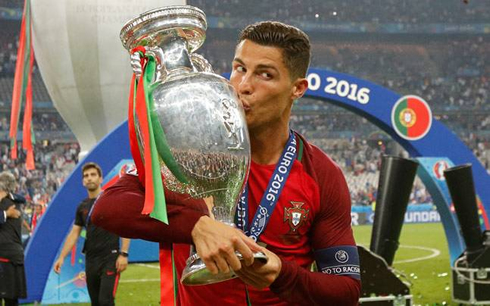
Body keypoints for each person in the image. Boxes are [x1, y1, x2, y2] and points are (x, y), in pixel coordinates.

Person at [92, 21, 361, 305]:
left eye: (265, 75)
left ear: (297, 88)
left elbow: (345, 291)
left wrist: (283, 275)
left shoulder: (319, 173)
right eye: (240, 68)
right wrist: (196, 226)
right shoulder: (187, 151)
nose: (243, 86)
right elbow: (107, 208)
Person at [53, 162, 131, 306]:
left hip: (110, 258)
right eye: (86, 176)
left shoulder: (110, 200)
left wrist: (124, 254)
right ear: (83, 181)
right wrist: (62, 257)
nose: (89, 178)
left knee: (105, 301)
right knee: (95, 302)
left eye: (93, 175)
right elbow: (74, 234)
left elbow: (124, 227)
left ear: (101, 179)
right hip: (91, 259)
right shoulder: (82, 206)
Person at [0, 171, 27, 306]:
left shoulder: (5, 204)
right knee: (12, 300)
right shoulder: (15, 202)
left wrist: (4, 213)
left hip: (4, 254)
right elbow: (23, 199)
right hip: (15, 255)